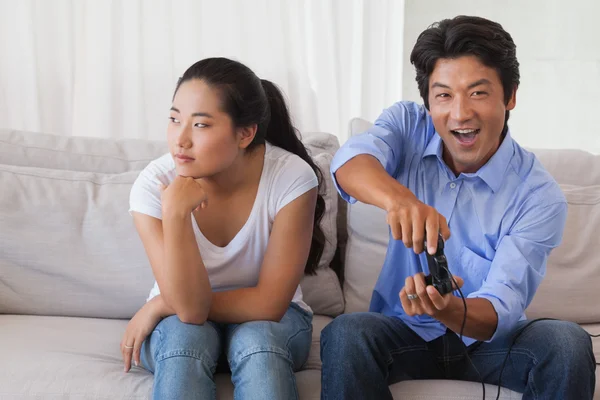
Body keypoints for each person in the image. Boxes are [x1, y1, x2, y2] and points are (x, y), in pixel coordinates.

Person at [320, 15, 596, 400]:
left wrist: (446, 308)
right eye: (444, 95)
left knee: (566, 344)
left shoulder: (538, 195)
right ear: (428, 100)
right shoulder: (408, 125)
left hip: (490, 344)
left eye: (478, 93)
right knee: (346, 334)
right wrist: (401, 200)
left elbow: (499, 309)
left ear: (511, 95)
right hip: (404, 330)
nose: (460, 114)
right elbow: (348, 162)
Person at [121, 57, 326, 400]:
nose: (180, 140)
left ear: (245, 133)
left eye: (200, 125)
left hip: (273, 321)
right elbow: (189, 313)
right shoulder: (153, 185)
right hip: (182, 322)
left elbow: (270, 304)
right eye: (174, 120)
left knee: (257, 340)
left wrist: (161, 304)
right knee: (187, 337)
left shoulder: (291, 177)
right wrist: (174, 213)